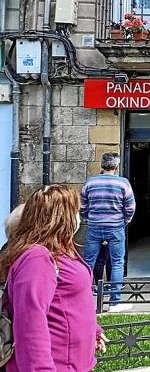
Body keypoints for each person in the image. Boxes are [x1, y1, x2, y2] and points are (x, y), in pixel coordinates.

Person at [0, 185, 108, 371]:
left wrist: (93, 330)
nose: (78, 218)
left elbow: (68, 301)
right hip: (56, 365)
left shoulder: (59, 250)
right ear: (60, 217)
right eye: (75, 212)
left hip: (74, 363)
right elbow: (30, 323)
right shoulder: (37, 258)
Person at [81, 152, 136, 312]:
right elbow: (130, 207)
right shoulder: (123, 183)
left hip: (94, 227)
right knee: (118, 263)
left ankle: (85, 299)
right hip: (116, 227)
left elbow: (83, 205)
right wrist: (125, 220)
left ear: (102, 165)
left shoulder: (90, 183)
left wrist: (87, 218)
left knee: (88, 263)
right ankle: (115, 302)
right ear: (116, 167)